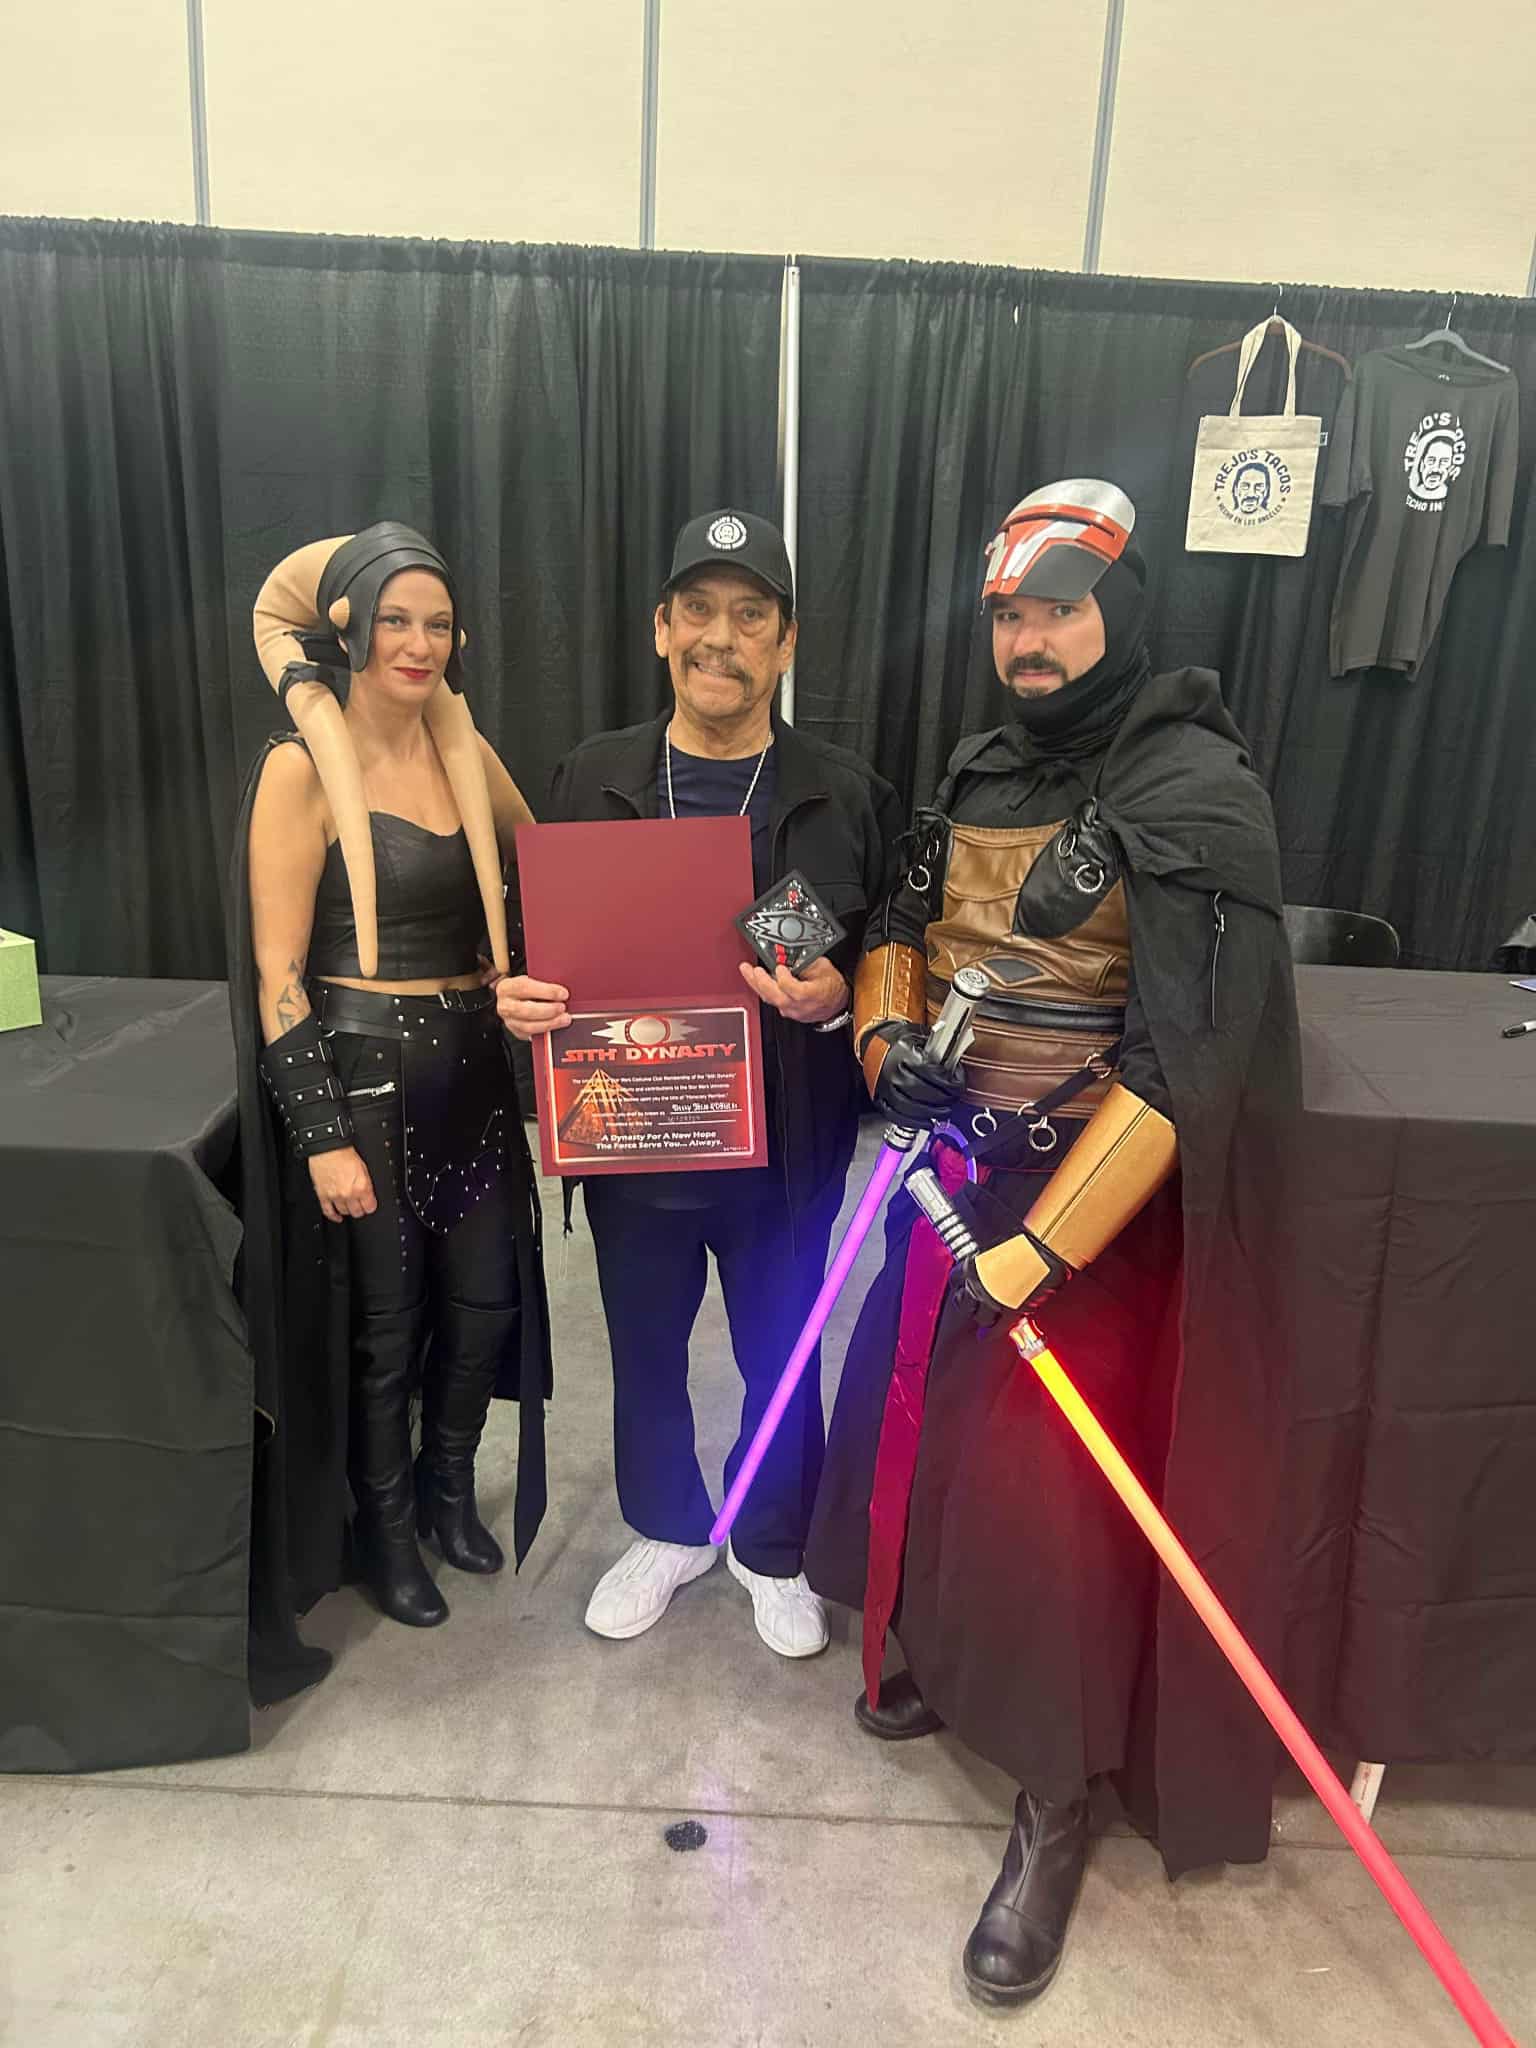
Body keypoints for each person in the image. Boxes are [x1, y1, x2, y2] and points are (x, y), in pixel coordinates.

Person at [804, 480, 1300, 2004]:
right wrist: (886, 1044)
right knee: (908, 1441)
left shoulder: (1192, 789)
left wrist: (1047, 1250)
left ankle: (1060, 1801)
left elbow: (1187, 1063)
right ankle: (943, 1666)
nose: (1029, 640)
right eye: (1010, 614)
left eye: (1060, 611)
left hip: (1094, 1221)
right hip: (950, 1180)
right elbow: (901, 923)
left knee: (1047, 1511)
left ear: (1120, 612)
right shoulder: (980, 766)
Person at [497, 509, 901, 1657]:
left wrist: (841, 998)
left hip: (790, 1143)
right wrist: (519, 996)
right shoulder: (592, 775)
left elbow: (892, 953)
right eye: (699, 610)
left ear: (786, 640)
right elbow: (538, 943)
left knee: (781, 1351)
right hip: (634, 1130)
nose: (722, 636)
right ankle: (668, 1525)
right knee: (644, 1348)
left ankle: (772, 1543)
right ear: (661, 628)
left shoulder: (847, 794)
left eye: (751, 614)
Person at [230, 522, 552, 1692]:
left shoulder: (467, 752)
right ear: (350, 629)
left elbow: (550, 866)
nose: (419, 642)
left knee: (482, 1303)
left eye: (438, 622)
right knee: (384, 1327)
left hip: (474, 1071)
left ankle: (447, 1489)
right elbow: (278, 973)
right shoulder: (299, 767)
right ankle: (383, 1529)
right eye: (396, 620)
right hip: (366, 1077)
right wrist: (321, 1134)